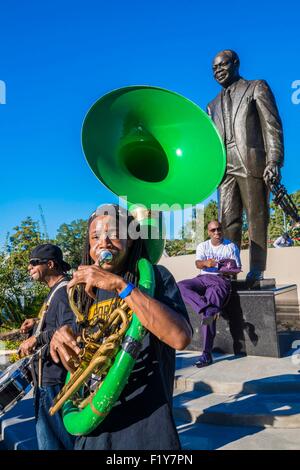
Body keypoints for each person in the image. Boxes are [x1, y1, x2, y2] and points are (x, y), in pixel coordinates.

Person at [49, 204, 192, 450]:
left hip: (145, 431)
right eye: (95, 237)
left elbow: (180, 337)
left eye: (113, 234)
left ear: (131, 240)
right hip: (92, 431)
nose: (103, 242)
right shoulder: (83, 293)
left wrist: (119, 285)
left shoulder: (156, 277)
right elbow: (79, 363)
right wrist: (60, 339)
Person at [207, 50, 284, 282]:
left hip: (251, 161)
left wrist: (274, 160)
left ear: (236, 63)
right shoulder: (212, 105)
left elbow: (272, 125)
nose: (218, 71)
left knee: (256, 216)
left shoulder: (256, 87)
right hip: (224, 167)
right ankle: (228, 269)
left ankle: (257, 269)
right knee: (227, 219)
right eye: (214, 69)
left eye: (222, 65)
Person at [18, 243, 75, 450]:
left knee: (56, 443)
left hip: (54, 381)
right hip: (45, 379)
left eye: (34, 263)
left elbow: (69, 328)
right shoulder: (55, 292)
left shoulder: (63, 291)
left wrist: (36, 339)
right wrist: (36, 322)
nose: (29, 268)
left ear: (50, 264)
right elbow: (55, 323)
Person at [178, 220, 241, 368]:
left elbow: (237, 268)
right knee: (180, 286)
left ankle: (206, 355)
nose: (216, 232)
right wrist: (207, 263)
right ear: (208, 232)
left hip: (221, 280)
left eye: (219, 229)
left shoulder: (230, 247)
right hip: (202, 278)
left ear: (222, 230)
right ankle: (207, 308)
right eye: (213, 230)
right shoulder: (203, 246)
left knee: (207, 318)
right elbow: (197, 264)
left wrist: (225, 267)